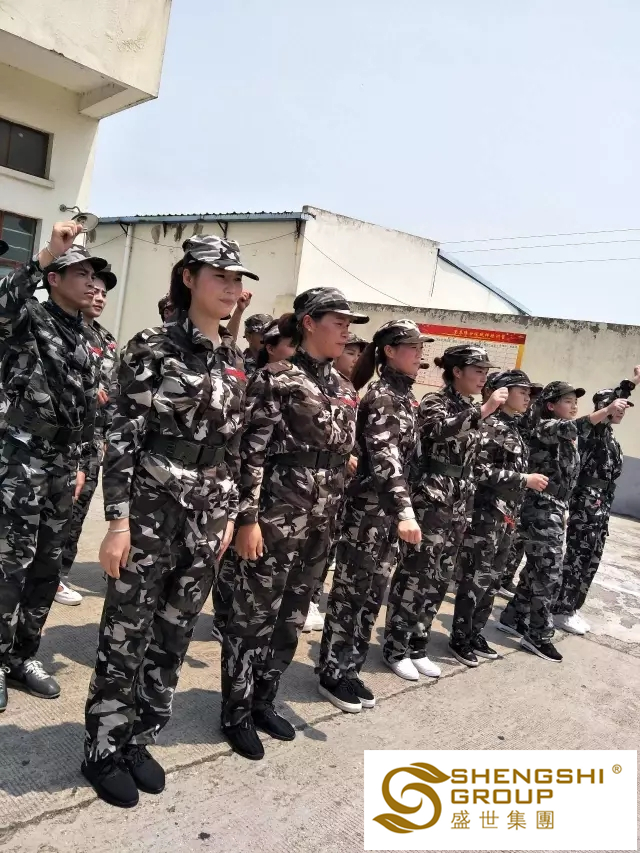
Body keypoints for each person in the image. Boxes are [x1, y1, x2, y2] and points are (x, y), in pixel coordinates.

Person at [82, 234, 257, 808]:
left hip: (208, 516)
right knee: (127, 629)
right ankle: (103, 748)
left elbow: (234, 446)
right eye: (219, 277)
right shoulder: (153, 345)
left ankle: (140, 738)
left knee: (174, 632)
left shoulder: (232, 359)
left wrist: (229, 515)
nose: (231, 289)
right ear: (188, 278)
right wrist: (117, 523)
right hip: (153, 511)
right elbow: (121, 436)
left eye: (236, 280)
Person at [220, 287, 367, 761]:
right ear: (308, 322)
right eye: (338, 322)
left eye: (349, 324)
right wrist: (247, 519)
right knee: (254, 614)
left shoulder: (344, 387)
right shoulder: (276, 378)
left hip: (323, 521)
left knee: (293, 614)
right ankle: (236, 711)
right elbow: (250, 453)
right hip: (277, 517)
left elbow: (342, 451)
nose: (346, 331)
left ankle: (264, 698)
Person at [0, 223, 105, 712]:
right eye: (80, 273)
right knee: (10, 564)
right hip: (22, 459)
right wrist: (46, 254)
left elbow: (84, 408)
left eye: (95, 275)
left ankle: (23, 655)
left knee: (47, 564)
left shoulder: (86, 335)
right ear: (54, 279)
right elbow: (3, 304)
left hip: (64, 462)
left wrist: (81, 460)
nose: (92, 283)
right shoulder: (28, 318)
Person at [317, 319, 429, 712]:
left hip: (386, 516)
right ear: (389, 351)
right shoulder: (383, 396)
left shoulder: (406, 397)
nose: (420, 354)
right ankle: (332, 673)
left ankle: (350, 668)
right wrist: (405, 510)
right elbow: (385, 457)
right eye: (413, 347)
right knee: (351, 594)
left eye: (421, 347)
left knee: (371, 596)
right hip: (367, 513)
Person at [382, 344, 505, 682]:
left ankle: (417, 645)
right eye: (477, 370)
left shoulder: (470, 407)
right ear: (457, 372)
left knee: (440, 576)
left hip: (460, 502)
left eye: (486, 372)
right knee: (416, 573)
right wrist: (483, 411)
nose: (483, 377)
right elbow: (436, 431)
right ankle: (395, 647)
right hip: (433, 499)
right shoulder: (436, 402)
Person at [497, 381, 629, 662]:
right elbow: (579, 426)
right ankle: (538, 635)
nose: (574, 406)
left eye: (575, 401)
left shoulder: (567, 436)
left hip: (555, 507)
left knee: (538, 568)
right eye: (568, 401)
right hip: (539, 509)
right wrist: (608, 408)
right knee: (549, 573)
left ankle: (513, 616)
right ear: (550, 405)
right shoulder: (545, 427)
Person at [449, 370, 549, 667]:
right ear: (503, 393)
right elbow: (478, 471)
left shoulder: (514, 426)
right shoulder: (490, 425)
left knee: (493, 579)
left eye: (530, 393)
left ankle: (475, 633)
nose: (528, 398)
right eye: (523, 392)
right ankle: (460, 637)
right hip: (485, 514)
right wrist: (524, 479)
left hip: (506, 515)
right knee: (476, 577)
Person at [210, 314, 297, 643]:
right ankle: (223, 617)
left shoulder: (297, 382)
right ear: (270, 348)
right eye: (290, 345)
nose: (295, 351)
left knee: (257, 561)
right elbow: (247, 443)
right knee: (235, 558)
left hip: (279, 490)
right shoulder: (261, 380)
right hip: (252, 483)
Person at [552, 368, 638, 634]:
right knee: (577, 558)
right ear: (605, 407)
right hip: (586, 506)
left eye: (624, 408)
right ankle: (561, 609)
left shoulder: (609, 436)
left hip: (601, 506)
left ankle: (571, 607)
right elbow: (609, 405)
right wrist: (632, 383)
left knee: (591, 558)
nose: (622, 411)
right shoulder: (593, 431)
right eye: (618, 407)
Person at [57, 264, 119, 606]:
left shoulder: (106, 340)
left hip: (92, 441)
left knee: (77, 511)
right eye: (93, 290)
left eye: (104, 294)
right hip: (62, 435)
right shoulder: (64, 330)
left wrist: (107, 435)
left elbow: (114, 391)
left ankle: (59, 573)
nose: (98, 298)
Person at [304, 330, 368, 634]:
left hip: (338, 486)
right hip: (306, 484)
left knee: (325, 545)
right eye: (350, 352)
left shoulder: (349, 390)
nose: (355, 359)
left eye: (358, 354)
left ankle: (312, 597)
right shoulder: (311, 383)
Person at [242, 313, 273, 377]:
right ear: (248, 337)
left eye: (271, 334)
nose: (268, 338)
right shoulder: (238, 364)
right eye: (263, 334)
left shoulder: (277, 361)